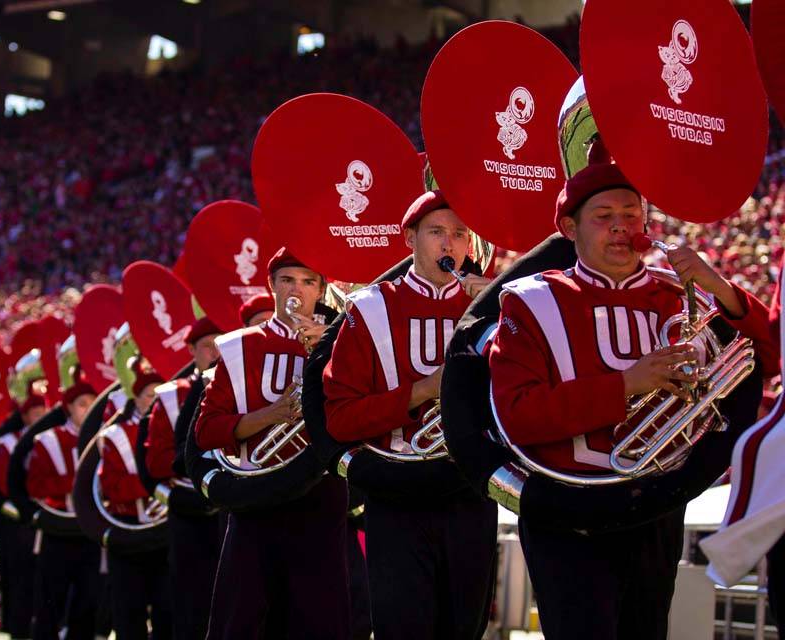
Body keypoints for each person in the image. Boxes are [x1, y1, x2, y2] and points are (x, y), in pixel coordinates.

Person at [488, 155, 776, 639]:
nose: (623, 229)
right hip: (568, 508)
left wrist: (717, 285)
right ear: (568, 227)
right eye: (604, 218)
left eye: (633, 216)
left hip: (656, 506)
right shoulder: (528, 300)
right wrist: (625, 385)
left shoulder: (679, 293)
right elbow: (518, 417)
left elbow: (769, 355)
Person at [323, 190, 498, 639]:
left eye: (460, 235)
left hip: (469, 494)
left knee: (465, 628)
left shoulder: (494, 309)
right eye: (437, 232)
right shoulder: (369, 307)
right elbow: (340, 419)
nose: (450, 244)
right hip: (396, 492)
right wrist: (420, 390)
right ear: (409, 239)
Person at [194, 247, 350, 640]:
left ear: (321, 291)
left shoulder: (343, 345)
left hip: (321, 502)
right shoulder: (238, 346)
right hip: (255, 501)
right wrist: (270, 415)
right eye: (287, 280)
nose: (297, 290)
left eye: (308, 281)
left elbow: (359, 416)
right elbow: (206, 432)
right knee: (242, 623)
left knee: (317, 623)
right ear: (271, 286)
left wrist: (332, 355)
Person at [145, 318, 223, 640]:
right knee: (190, 601)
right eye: (207, 345)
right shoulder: (169, 397)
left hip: (232, 506)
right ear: (191, 351)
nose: (216, 351)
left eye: (222, 343)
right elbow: (156, 461)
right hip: (189, 511)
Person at [26, 376, 99, 640]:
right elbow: (35, 486)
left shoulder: (102, 438)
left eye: (93, 403)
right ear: (68, 407)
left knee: (88, 598)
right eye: (82, 404)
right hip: (57, 528)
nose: (88, 409)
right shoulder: (48, 439)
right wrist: (75, 483)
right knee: (50, 599)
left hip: (89, 529)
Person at [99, 367, 170, 640]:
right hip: (128, 530)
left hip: (163, 531)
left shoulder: (170, 427)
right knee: (129, 611)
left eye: (159, 395)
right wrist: (153, 483)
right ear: (136, 398)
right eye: (149, 395)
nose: (154, 400)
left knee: (167, 609)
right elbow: (111, 487)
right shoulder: (115, 434)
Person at [0, 393, 46, 639]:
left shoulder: (46, 438)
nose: (42, 418)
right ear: (24, 416)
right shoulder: (7, 442)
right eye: (36, 414)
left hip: (42, 516)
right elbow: (5, 482)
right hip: (16, 518)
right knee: (18, 577)